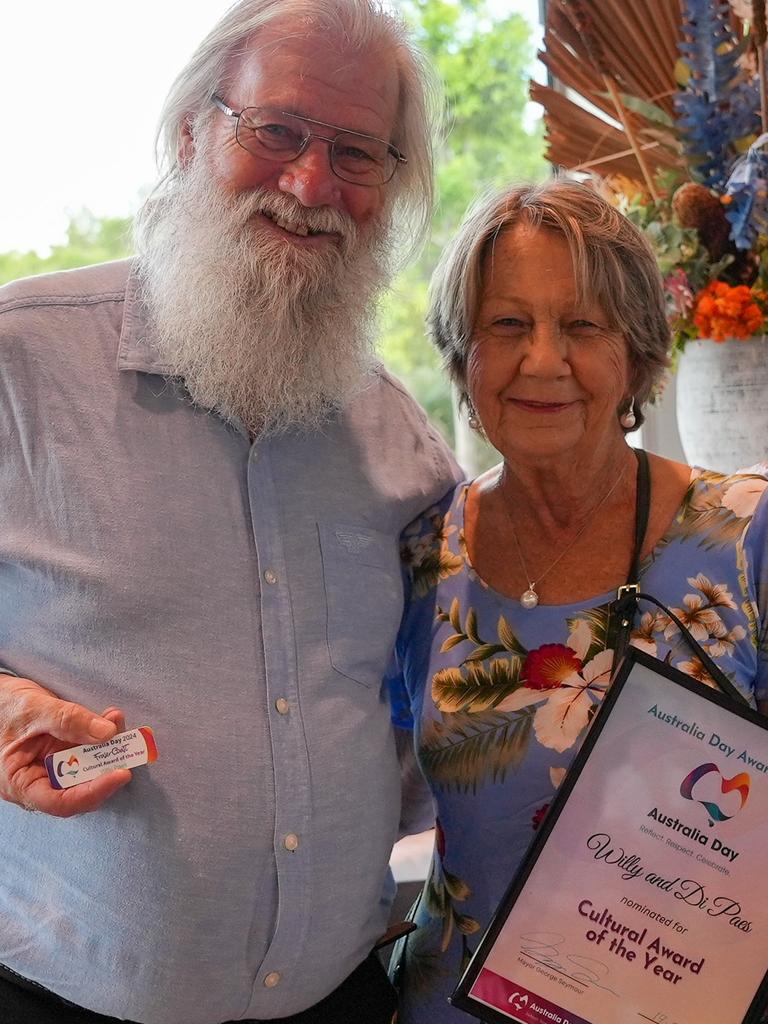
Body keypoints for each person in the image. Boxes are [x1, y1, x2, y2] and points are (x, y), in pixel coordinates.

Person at [0, 2, 461, 1022]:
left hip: (343, 997)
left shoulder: (403, 444)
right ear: (188, 134)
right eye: (277, 132)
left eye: (357, 153)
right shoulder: (19, 366)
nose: (310, 186)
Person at [388, 179, 768, 1023]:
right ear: (461, 356)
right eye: (507, 325)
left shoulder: (745, 536)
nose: (543, 360)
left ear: (635, 355)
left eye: (583, 326)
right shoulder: (422, 554)